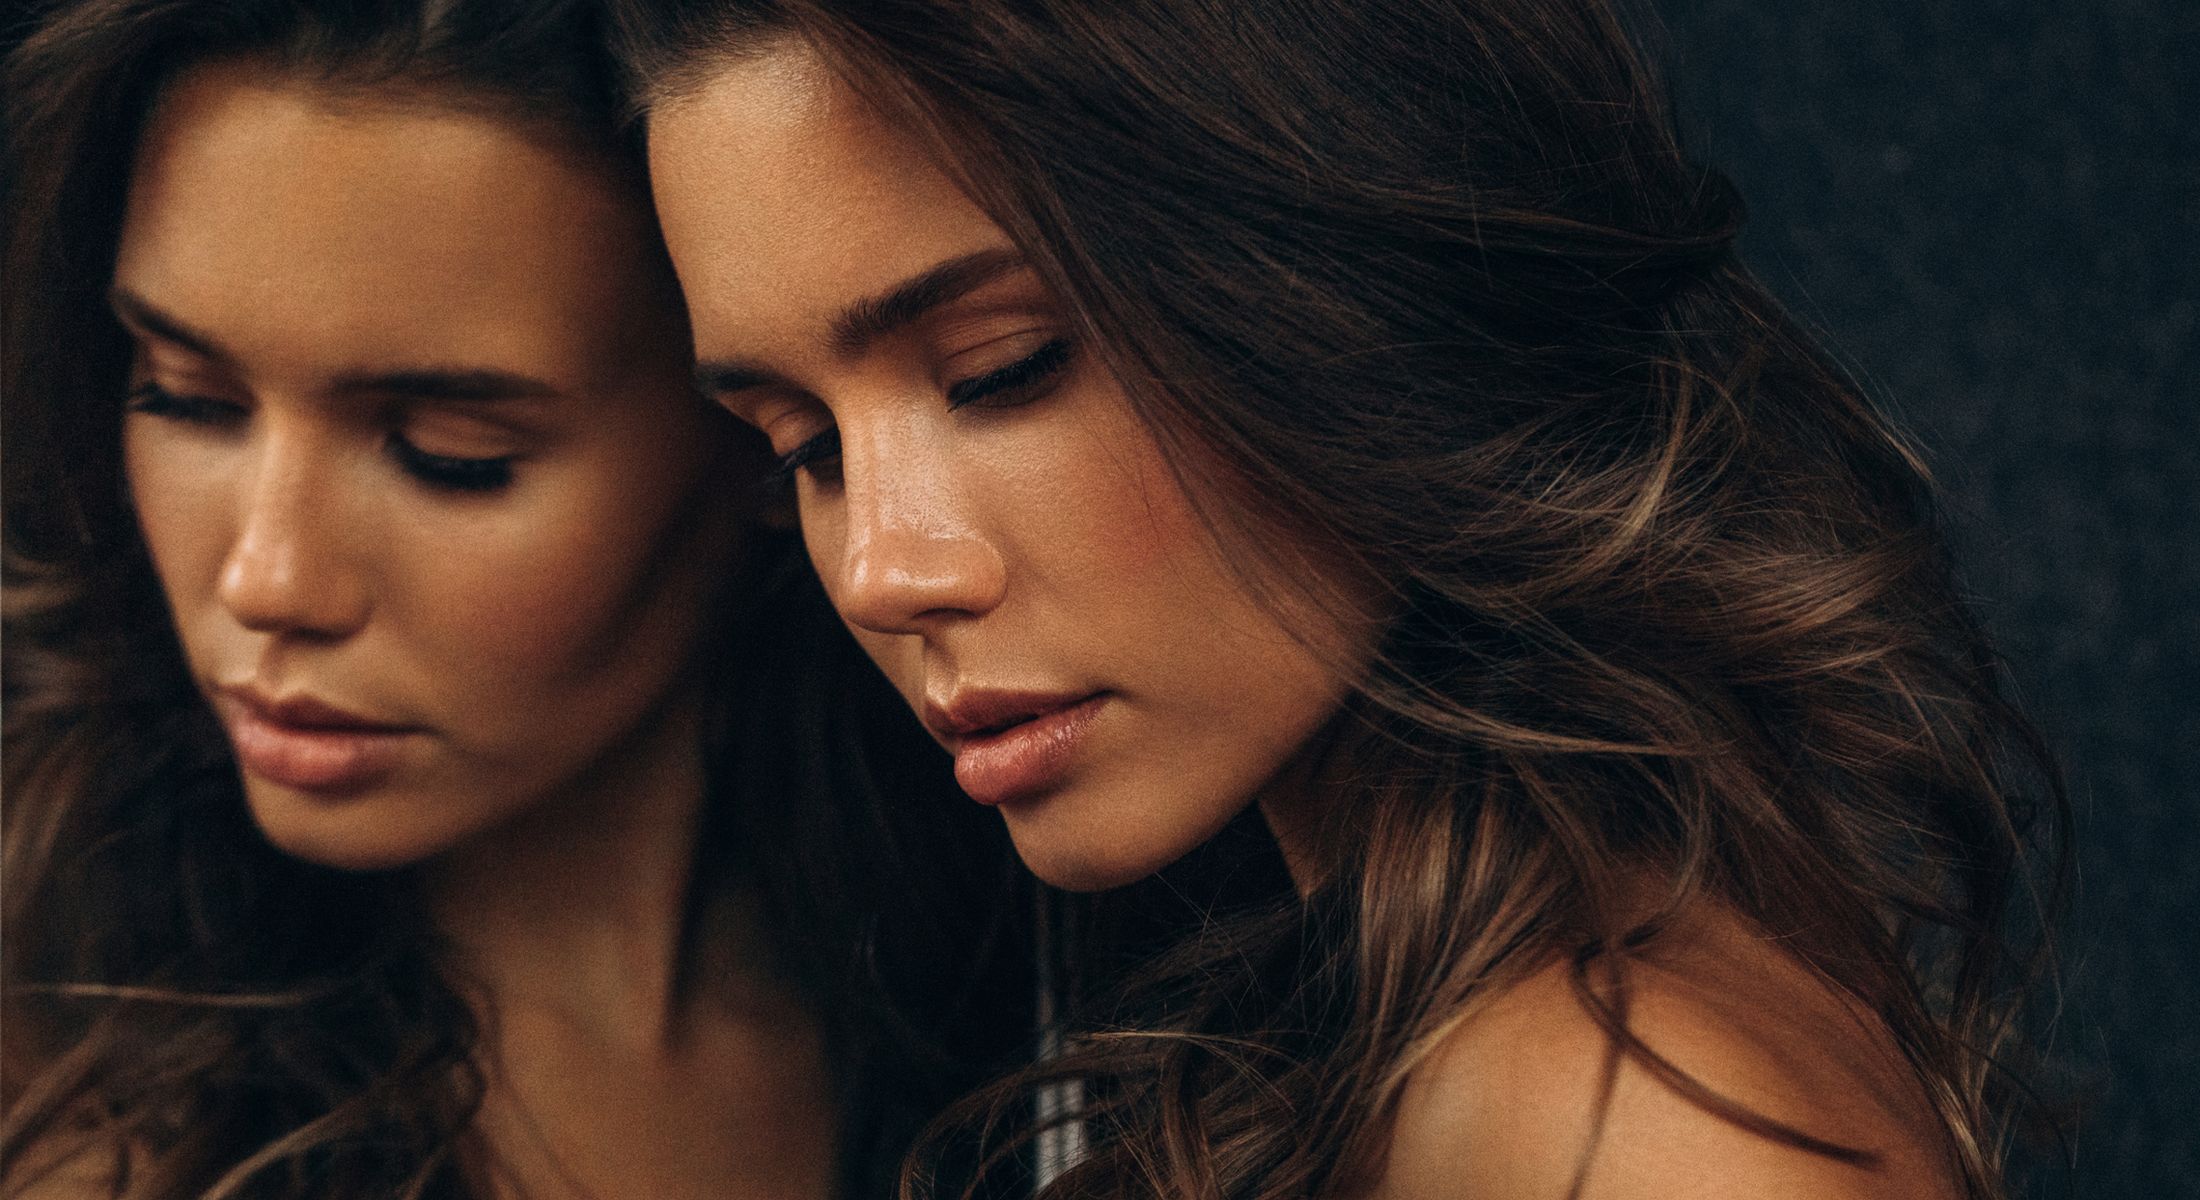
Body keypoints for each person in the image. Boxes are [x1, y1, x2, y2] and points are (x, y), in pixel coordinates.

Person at [616, 1, 2069, 1197]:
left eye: (1002, 370)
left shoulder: (1635, 1128)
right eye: (801, 449)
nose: (882, 568)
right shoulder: (1436, 1037)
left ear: (1350, 299)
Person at [0, 2, 1026, 1197]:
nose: (267, 581)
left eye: (450, 453)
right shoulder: (58, 1072)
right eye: (186, 397)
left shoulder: (1053, 993)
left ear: (762, 432)